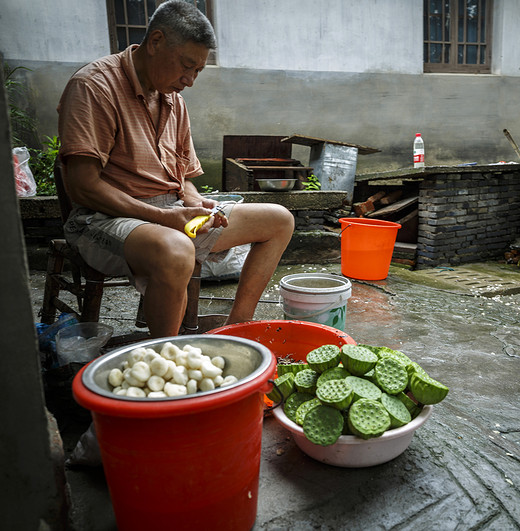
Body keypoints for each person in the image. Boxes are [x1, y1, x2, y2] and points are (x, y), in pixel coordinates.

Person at [57, 0, 294, 338]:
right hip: (102, 219)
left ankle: (237, 328)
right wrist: (164, 218)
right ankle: (167, 356)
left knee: (279, 220)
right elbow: (83, 186)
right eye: (187, 66)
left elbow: (182, 177)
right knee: (176, 249)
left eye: (198, 70)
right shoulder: (94, 87)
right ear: (155, 42)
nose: (191, 80)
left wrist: (198, 203)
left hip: (171, 213)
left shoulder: (173, 100)